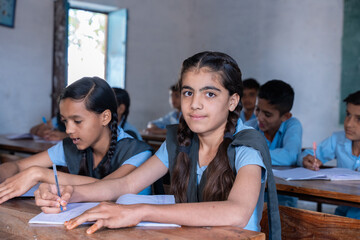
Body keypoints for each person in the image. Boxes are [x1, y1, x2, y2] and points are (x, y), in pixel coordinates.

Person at [34, 52, 280, 238]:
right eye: (187, 93)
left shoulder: (247, 144)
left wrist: (141, 211)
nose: (195, 104)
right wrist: (66, 194)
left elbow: (236, 212)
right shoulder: (179, 140)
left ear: (232, 101)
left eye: (210, 94)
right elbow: (127, 184)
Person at [0, 77, 153, 203]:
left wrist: (39, 174)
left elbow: (108, 188)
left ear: (105, 117)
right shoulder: (72, 145)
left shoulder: (138, 152)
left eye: (77, 121)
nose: (68, 130)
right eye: (65, 121)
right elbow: (18, 166)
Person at [298, 90, 360, 219]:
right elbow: (308, 153)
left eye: (359, 119)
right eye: (348, 115)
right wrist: (307, 160)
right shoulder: (338, 139)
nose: (349, 124)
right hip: (342, 212)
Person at [245, 80, 302, 207]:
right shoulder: (249, 126)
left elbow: (289, 156)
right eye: (257, 110)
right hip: (252, 201)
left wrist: (251, 155)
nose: (259, 117)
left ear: (286, 116)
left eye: (267, 114)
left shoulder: (292, 125)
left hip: (283, 202)